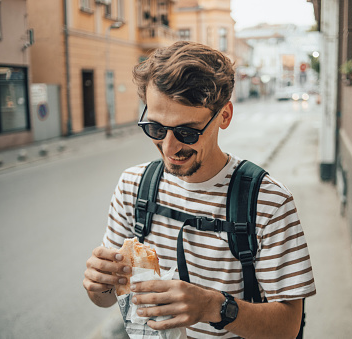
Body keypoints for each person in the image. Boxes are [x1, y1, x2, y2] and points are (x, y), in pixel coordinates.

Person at [83, 41, 316, 338]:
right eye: (156, 128)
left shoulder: (269, 201)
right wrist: (99, 284)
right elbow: (105, 299)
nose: (169, 147)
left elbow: (287, 325)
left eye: (187, 132)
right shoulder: (133, 187)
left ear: (224, 116)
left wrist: (212, 306)